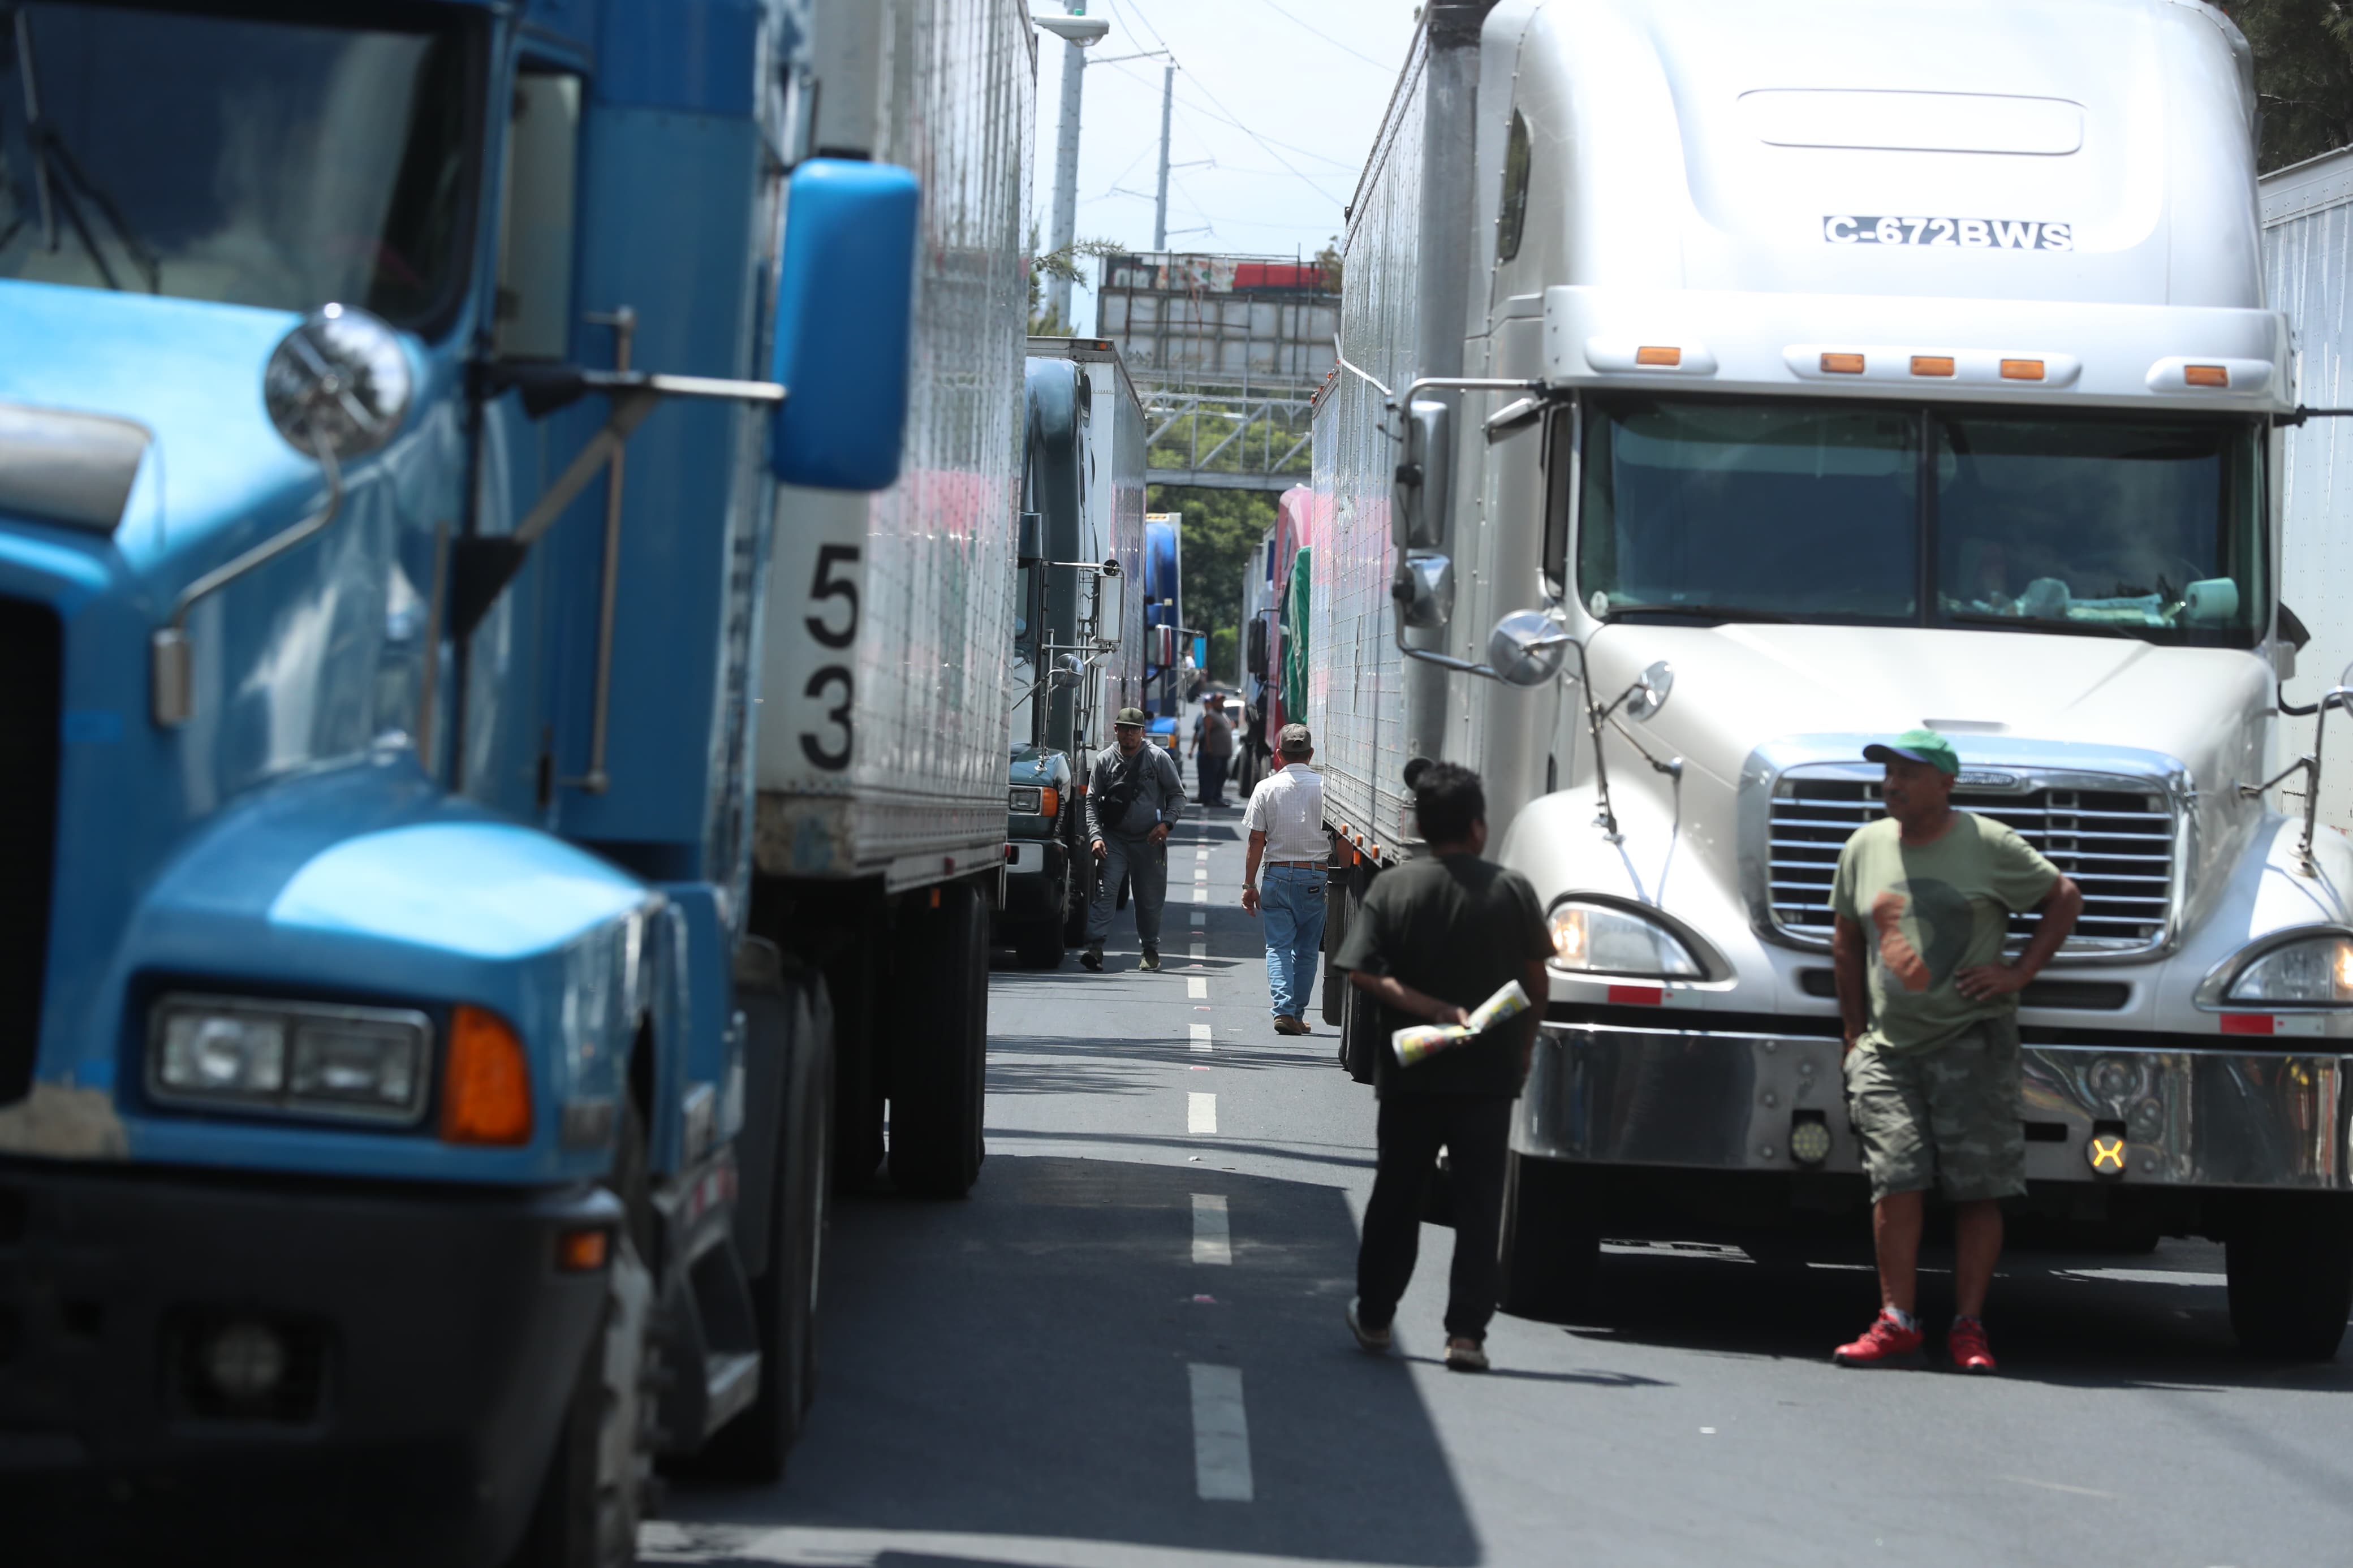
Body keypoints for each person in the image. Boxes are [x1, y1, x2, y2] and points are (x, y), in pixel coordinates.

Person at [1829, 729, 2083, 1374]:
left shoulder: (1986, 844)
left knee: (1978, 1189)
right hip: (1888, 1050)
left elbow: (2063, 896)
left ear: (1945, 783)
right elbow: (1845, 938)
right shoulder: (1862, 846)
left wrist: (2019, 971)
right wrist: (1854, 1036)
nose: (1891, 783)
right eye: (1887, 771)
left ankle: (1968, 1327)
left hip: (1972, 1043)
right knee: (1896, 1178)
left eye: (1908, 773)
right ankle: (1897, 1320)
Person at [1334, 762, 1552, 1372]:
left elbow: (1361, 971)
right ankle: (1465, 1336)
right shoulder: (1511, 891)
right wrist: (1525, 1048)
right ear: (1478, 829)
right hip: (1487, 1078)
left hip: (1411, 1073)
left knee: (1396, 1195)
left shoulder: (1393, 889)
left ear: (1421, 827)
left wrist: (1428, 1009)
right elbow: (1536, 983)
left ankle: (1375, 1317)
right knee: (1481, 1205)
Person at [1082, 707, 1186, 973]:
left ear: (1142, 732)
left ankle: (1150, 950)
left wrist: (1166, 824)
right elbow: (1092, 800)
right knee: (1106, 894)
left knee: (1149, 899)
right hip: (1114, 838)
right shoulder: (1105, 760)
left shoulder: (1158, 758)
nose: (1129, 734)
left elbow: (1177, 795)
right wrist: (1096, 836)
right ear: (1115, 730)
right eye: (1124, 728)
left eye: (1135, 729)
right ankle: (1095, 948)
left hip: (1149, 840)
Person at [1240, 722, 1326, 1035]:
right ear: (1311, 754)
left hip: (1276, 875)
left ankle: (1283, 1011)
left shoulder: (1265, 788)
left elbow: (1256, 841)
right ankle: (1296, 1013)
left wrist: (1249, 885)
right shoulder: (1325, 787)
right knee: (1306, 950)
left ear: (1278, 754)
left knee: (1278, 947)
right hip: (1315, 876)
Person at [1189, 692, 1235, 808]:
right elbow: (1207, 733)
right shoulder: (1210, 715)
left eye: (1222, 701)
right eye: (1219, 701)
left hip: (1224, 753)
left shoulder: (1222, 714)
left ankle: (1216, 797)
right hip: (1215, 753)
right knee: (1213, 777)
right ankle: (1211, 798)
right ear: (1213, 703)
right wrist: (1209, 748)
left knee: (1221, 776)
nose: (1221, 703)